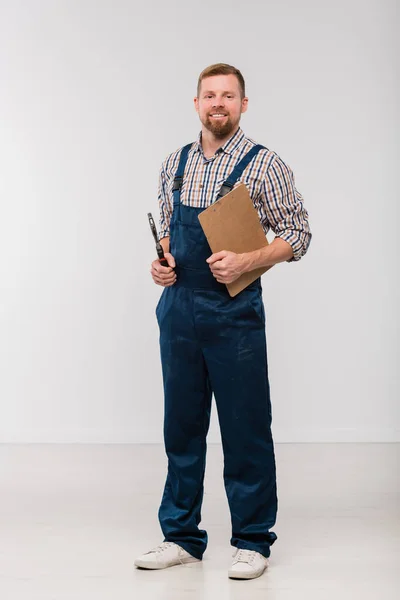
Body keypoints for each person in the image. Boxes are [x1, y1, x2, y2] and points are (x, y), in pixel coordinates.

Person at [135, 63, 312, 580]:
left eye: (228, 96)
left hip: (235, 315)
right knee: (182, 428)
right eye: (209, 95)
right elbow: (169, 232)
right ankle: (182, 537)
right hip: (179, 315)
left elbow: (297, 233)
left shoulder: (264, 165)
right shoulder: (177, 163)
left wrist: (249, 260)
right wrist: (162, 263)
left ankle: (253, 540)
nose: (219, 103)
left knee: (245, 428)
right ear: (196, 104)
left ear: (243, 104)